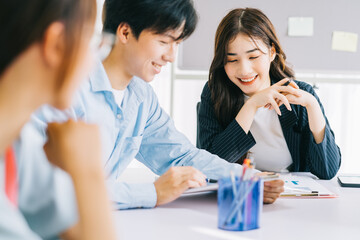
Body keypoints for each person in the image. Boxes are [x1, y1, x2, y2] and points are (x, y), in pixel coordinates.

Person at [20, 0, 284, 209]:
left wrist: (244, 178)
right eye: (164, 42)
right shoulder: (66, 87)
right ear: (125, 32)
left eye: (177, 43)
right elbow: (49, 187)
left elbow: (181, 156)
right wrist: (152, 193)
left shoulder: (141, 96)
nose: (171, 56)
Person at [0, 0, 116, 239]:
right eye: (91, 41)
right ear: (56, 45)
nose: (92, 61)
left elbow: (73, 230)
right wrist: (89, 173)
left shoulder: (20, 143)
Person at [197, 8, 341, 180]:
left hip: (292, 197)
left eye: (253, 57)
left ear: (272, 52)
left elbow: (327, 171)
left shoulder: (300, 95)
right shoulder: (214, 93)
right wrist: (251, 106)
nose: (244, 70)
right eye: (232, 60)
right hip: (241, 195)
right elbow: (209, 167)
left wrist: (313, 106)